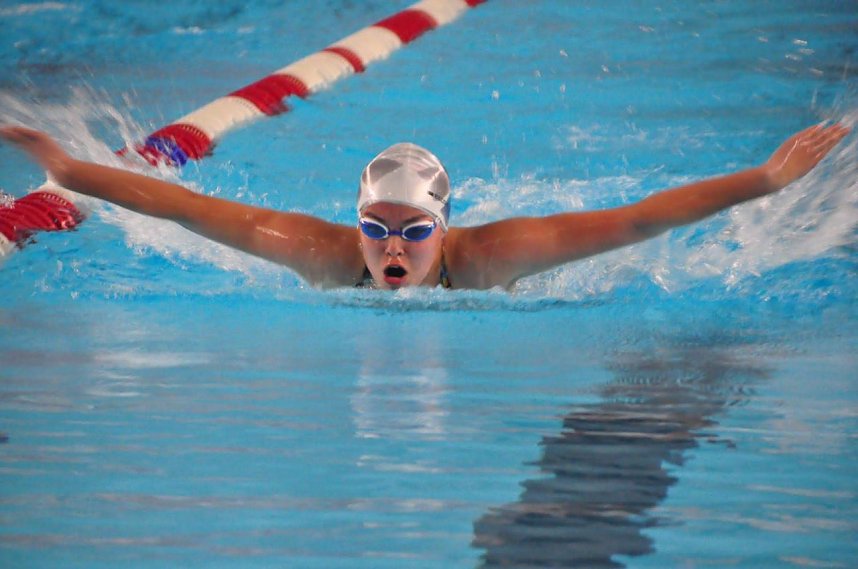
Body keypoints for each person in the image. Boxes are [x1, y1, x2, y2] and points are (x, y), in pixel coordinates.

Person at [0, 123, 849, 290]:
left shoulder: (499, 255)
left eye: (412, 232)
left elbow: (638, 220)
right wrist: (68, 168)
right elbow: (179, 204)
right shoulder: (314, 251)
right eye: (377, 228)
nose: (390, 248)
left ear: (448, 227)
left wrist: (767, 182)